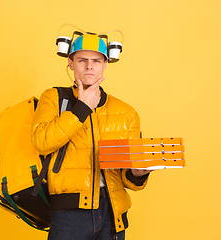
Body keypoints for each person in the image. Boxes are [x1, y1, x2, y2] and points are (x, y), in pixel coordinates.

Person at [31, 33, 152, 240]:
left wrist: (138, 174)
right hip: (69, 213)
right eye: (82, 60)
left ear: (105, 64)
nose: (89, 66)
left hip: (112, 212)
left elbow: (128, 177)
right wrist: (82, 108)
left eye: (96, 60)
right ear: (70, 63)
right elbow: (41, 142)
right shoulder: (53, 98)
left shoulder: (127, 112)